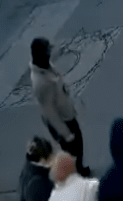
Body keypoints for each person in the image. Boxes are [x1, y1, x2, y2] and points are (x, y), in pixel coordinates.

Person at [30, 37, 89, 176]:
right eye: (47, 51)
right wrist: (65, 134)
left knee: (77, 146)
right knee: (73, 149)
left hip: (66, 114)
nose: (50, 53)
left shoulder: (46, 68)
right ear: (41, 55)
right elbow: (49, 113)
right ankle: (76, 175)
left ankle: (78, 169)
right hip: (63, 121)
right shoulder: (41, 82)